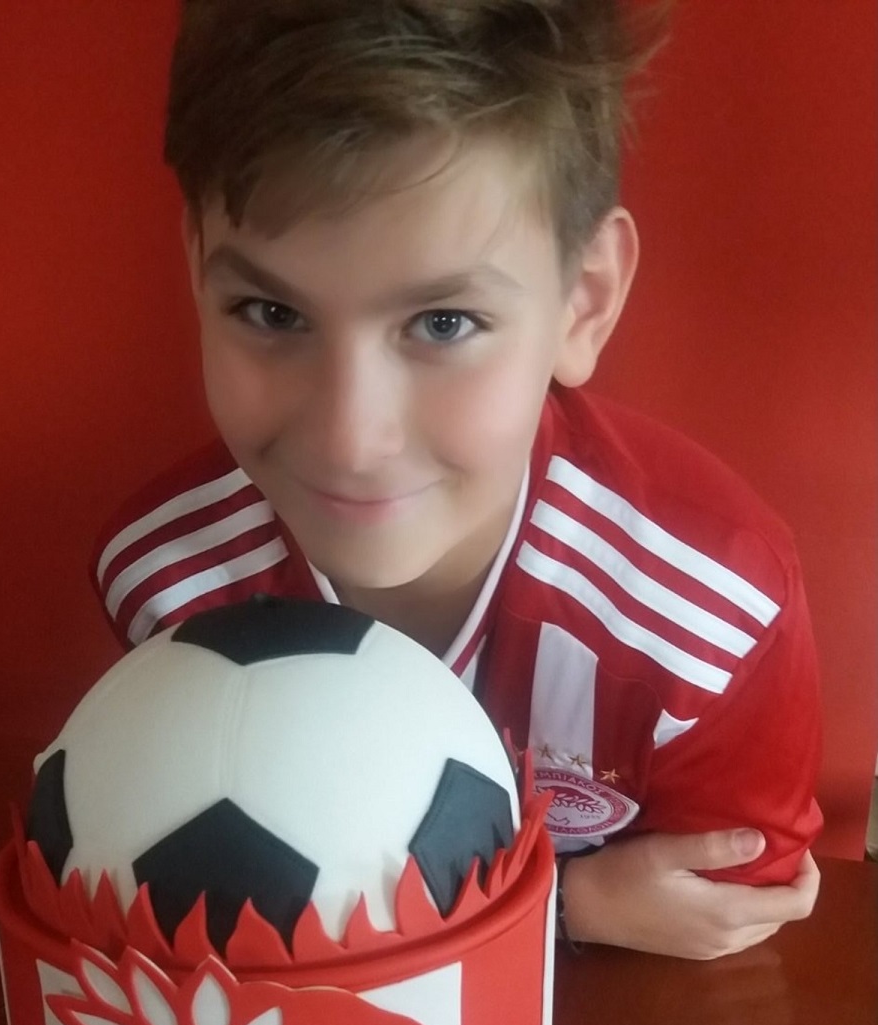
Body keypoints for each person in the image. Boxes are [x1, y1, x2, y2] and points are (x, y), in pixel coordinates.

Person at [91, 0, 822, 958]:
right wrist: (565, 905)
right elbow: (210, 898)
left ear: (583, 303)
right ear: (197, 268)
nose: (349, 439)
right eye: (271, 312)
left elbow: (724, 907)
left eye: (443, 324)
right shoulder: (168, 582)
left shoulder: (706, 620)